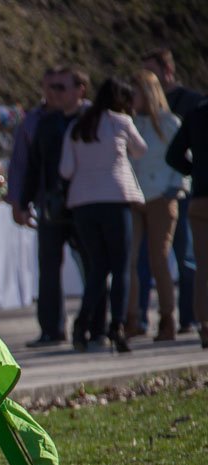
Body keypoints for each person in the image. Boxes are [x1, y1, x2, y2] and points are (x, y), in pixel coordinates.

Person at [59, 77, 146, 354]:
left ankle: (82, 323)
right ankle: (117, 325)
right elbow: (140, 150)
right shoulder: (121, 122)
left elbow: (66, 170)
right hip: (115, 199)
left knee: (97, 266)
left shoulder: (78, 125)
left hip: (83, 203)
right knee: (120, 265)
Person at [20, 66, 96, 347]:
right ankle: (51, 329)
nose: (54, 93)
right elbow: (34, 166)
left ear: (80, 90)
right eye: (51, 88)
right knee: (49, 268)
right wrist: (24, 201)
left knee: (93, 266)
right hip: (51, 205)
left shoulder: (92, 120)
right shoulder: (46, 123)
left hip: (85, 205)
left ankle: (93, 325)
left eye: (61, 88)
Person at [142, 47, 204, 334]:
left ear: (168, 71)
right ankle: (181, 319)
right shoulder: (138, 118)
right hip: (155, 193)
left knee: (188, 257)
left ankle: (191, 318)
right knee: (160, 260)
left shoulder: (191, 104)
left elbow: (177, 154)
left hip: (178, 192)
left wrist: (186, 179)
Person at [127, 69, 186, 342]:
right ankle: (133, 318)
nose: (132, 98)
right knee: (130, 258)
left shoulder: (169, 122)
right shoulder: (130, 123)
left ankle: (167, 318)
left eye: (136, 92)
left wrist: (174, 188)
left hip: (162, 197)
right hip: (135, 198)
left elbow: (183, 159)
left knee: (158, 258)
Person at [165, 96, 208, 348]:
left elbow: (172, 155)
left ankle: (204, 325)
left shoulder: (195, 114)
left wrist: (196, 170)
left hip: (200, 197)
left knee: (203, 265)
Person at [6, 67, 60, 212]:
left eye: (58, 87)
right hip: (43, 199)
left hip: (77, 199)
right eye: (48, 87)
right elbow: (19, 162)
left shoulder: (81, 118)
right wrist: (17, 201)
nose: (52, 92)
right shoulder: (31, 121)